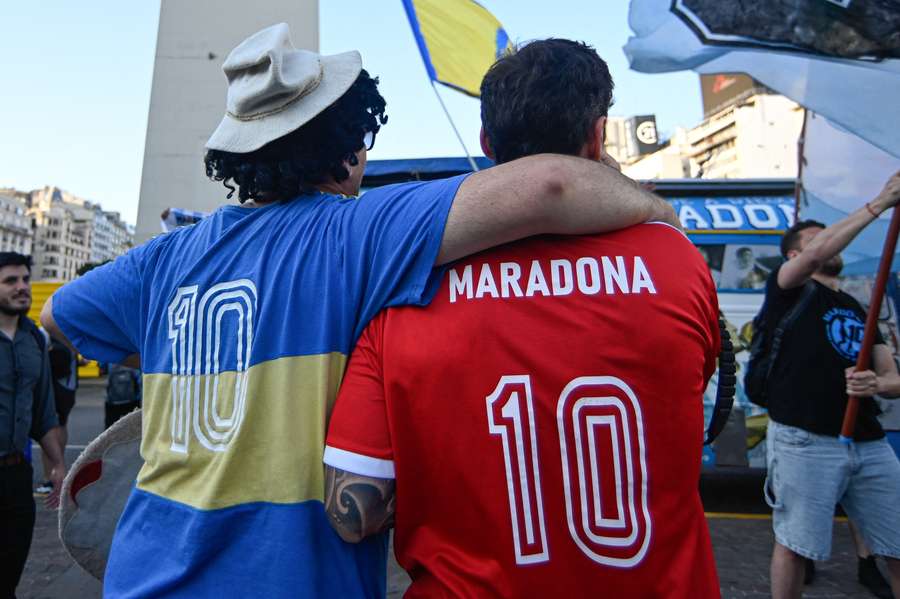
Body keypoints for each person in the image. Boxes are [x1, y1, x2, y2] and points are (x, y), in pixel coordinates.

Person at [40, 24, 677, 599]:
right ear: (346, 148)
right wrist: (660, 215)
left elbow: (61, 318)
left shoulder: (165, 258)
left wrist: (194, 358)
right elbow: (551, 186)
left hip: (141, 574)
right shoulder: (358, 231)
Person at [323, 39, 721, 598]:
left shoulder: (404, 290)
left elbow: (354, 512)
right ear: (598, 135)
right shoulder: (677, 260)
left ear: (486, 143)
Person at [761, 171, 900, 599]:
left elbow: (894, 379)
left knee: (896, 546)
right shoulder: (788, 290)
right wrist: (880, 203)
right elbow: (819, 251)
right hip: (806, 439)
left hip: (869, 442)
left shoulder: (859, 307)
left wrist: (877, 382)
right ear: (793, 255)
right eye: (820, 239)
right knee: (795, 547)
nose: (832, 243)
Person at [0, 252, 66, 598]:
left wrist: (56, 464)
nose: (22, 287)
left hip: (15, 475)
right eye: (11, 281)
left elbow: (44, 410)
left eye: (25, 279)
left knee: (9, 572)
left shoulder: (35, 340)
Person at [35, 334, 81, 495]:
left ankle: (51, 478)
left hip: (58, 391)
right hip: (68, 390)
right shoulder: (69, 340)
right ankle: (55, 474)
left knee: (50, 430)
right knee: (60, 426)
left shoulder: (55, 342)